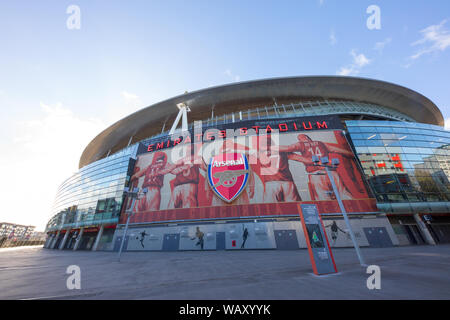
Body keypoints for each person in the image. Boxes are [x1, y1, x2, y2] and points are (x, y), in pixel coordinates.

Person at [276, 134, 354, 201]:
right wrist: (353, 154)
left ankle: (328, 214)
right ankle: (352, 209)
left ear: (306, 138)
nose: (300, 140)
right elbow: (338, 150)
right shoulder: (321, 143)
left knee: (322, 196)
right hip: (331, 172)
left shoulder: (301, 144)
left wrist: (269, 147)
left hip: (315, 174)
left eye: (300, 138)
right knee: (343, 193)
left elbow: (288, 148)